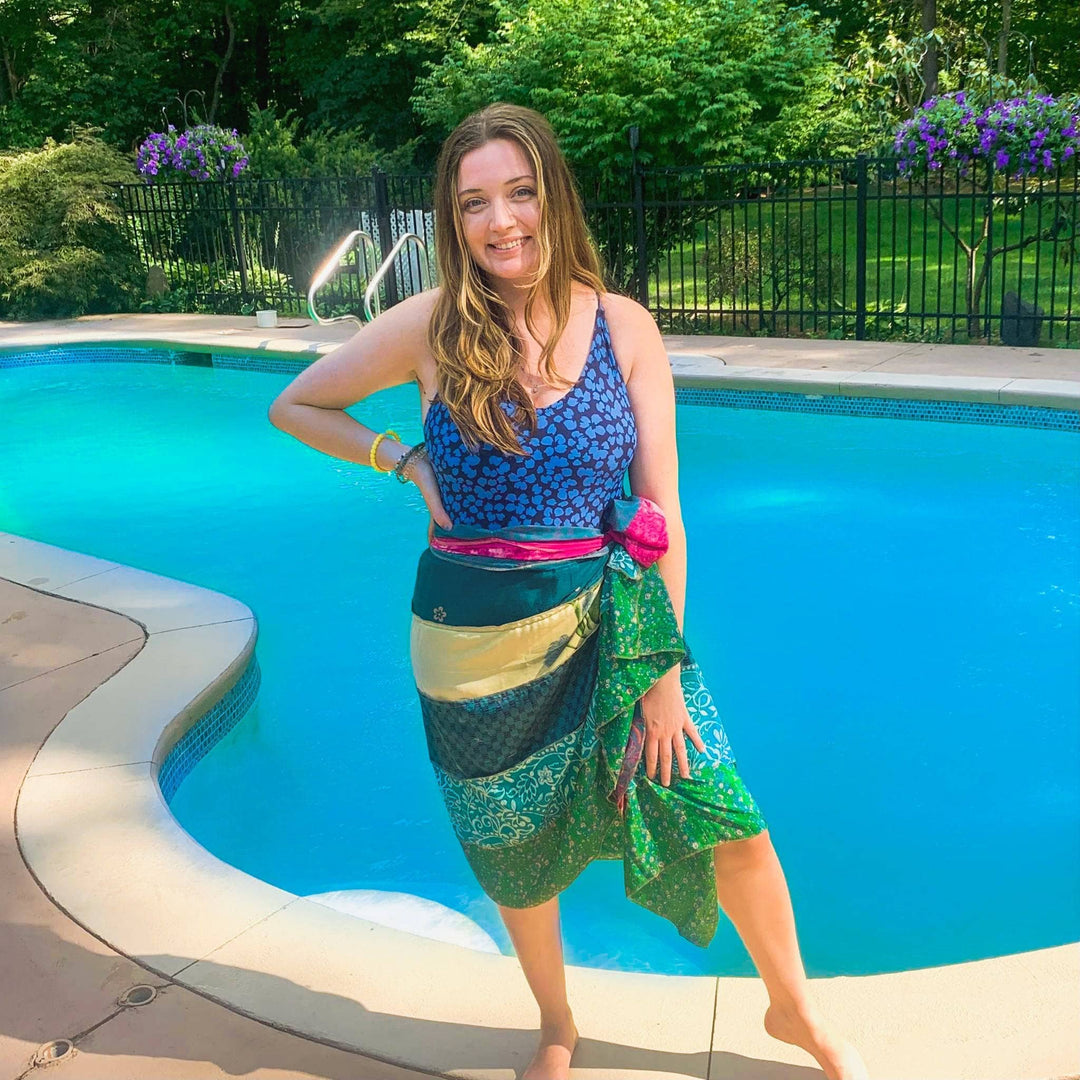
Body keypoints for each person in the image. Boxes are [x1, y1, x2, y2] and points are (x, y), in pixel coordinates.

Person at [268, 103, 868, 1080]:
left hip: (613, 627)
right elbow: (296, 402)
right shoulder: (429, 326)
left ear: (555, 196)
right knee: (510, 851)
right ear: (451, 221)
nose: (501, 221)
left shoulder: (623, 325)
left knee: (724, 815)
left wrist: (660, 674)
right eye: (474, 204)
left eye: (519, 193)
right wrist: (403, 457)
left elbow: (662, 514)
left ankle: (796, 1012)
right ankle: (556, 1021)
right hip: (470, 647)